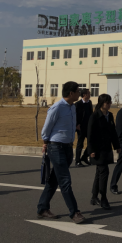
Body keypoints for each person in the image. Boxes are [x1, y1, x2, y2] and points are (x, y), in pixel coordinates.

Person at [37, 81, 85, 224]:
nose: (79, 93)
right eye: (78, 91)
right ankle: (74, 212)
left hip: (68, 147)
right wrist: (45, 143)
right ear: (71, 93)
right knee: (65, 180)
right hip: (56, 146)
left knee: (54, 179)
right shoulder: (57, 107)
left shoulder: (72, 107)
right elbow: (46, 128)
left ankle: (42, 207)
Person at [87, 94, 120, 210]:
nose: (109, 104)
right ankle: (104, 198)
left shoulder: (109, 115)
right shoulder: (95, 116)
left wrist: (117, 146)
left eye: (110, 102)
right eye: (107, 102)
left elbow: (113, 132)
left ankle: (94, 197)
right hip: (97, 150)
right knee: (104, 172)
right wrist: (91, 150)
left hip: (107, 148)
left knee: (99, 173)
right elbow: (90, 135)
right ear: (101, 103)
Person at [74, 88, 93, 167]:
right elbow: (75, 115)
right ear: (84, 95)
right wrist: (77, 124)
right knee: (80, 143)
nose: (90, 94)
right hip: (81, 127)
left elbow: (91, 114)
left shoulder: (89, 103)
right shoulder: (78, 104)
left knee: (92, 142)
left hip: (88, 126)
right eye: (88, 93)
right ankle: (77, 161)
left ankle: (85, 157)